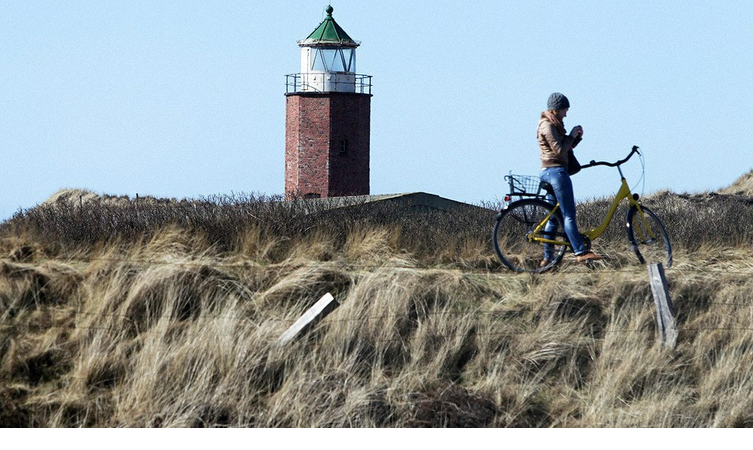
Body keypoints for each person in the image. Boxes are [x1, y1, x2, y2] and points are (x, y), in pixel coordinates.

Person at [538, 92, 602, 265]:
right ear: (557, 109)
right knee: (568, 215)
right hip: (556, 173)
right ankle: (580, 252)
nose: (566, 113)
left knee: (554, 217)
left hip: (551, 172)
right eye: (565, 110)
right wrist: (572, 135)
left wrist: (576, 138)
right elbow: (559, 150)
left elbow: (564, 147)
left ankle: (548, 258)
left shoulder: (553, 125)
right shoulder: (548, 126)